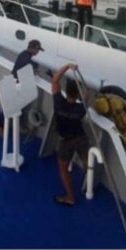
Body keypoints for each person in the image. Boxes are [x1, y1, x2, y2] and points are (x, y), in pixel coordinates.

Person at [51, 63, 89, 206]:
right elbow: (86, 95)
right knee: (86, 160)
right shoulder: (81, 108)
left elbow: (55, 80)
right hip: (81, 138)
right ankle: (87, 182)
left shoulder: (58, 102)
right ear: (78, 94)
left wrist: (67, 66)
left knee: (63, 169)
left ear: (65, 91)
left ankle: (70, 197)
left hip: (65, 142)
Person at [0, 39, 45, 137]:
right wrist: (36, 69)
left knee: (16, 107)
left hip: (17, 84)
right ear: (33, 49)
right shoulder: (26, 57)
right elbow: (31, 67)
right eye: (37, 50)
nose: (38, 52)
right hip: (15, 85)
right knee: (10, 107)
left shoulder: (24, 55)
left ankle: (16, 126)